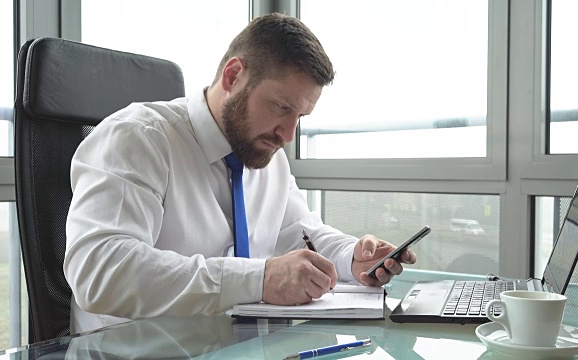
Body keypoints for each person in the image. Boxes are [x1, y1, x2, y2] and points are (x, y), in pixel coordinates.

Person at [64, 12, 417, 334]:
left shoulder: (266, 156)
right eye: (281, 107)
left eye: (301, 118)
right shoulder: (138, 138)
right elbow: (100, 271)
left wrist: (351, 256)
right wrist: (259, 280)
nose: (288, 135)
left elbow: (300, 232)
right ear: (234, 76)